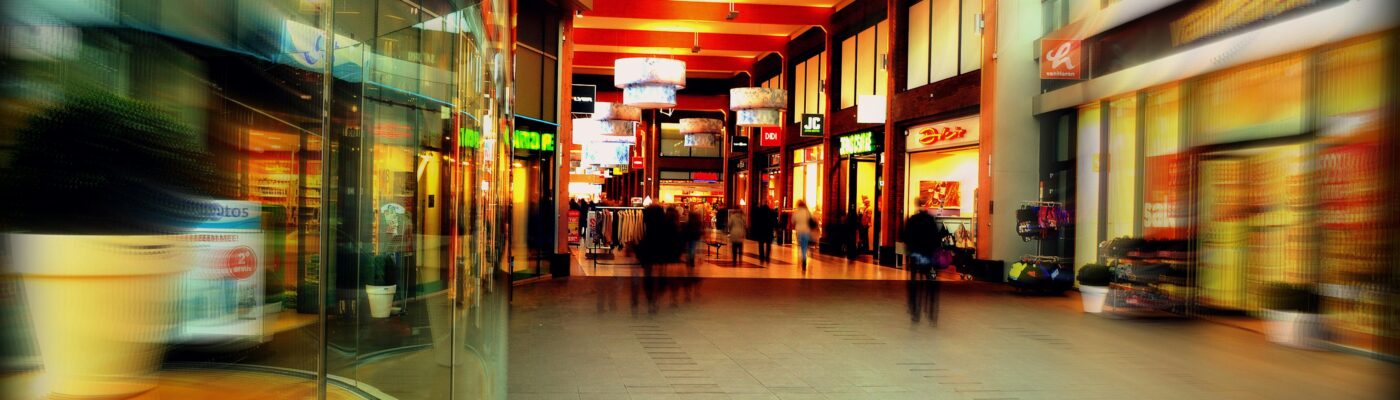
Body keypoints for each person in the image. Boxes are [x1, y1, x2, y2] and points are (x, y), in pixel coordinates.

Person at [792, 200, 814, 271]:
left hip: (799, 231)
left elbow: (793, 221)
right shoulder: (807, 212)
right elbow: (811, 220)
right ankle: (804, 260)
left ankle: (801, 259)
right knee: (805, 246)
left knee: (800, 246)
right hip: (806, 231)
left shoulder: (797, 212)